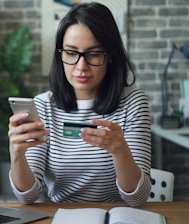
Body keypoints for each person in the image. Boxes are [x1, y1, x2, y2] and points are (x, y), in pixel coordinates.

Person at [8, 2, 151, 207]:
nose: (81, 67)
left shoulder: (133, 103)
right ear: (60, 55)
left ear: (110, 56)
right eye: (71, 53)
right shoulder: (43, 106)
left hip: (117, 217)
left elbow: (138, 198)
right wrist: (17, 154)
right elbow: (27, 197)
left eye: (93, 54)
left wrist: (120, 151)